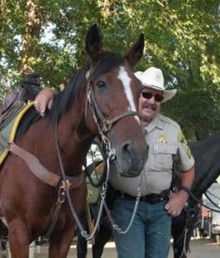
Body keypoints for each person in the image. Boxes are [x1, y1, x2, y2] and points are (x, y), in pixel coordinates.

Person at [34, 67, 195, 258]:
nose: (151, 100)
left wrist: (182, 196)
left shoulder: (172, 129)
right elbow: (77, 108)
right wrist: (50, 92)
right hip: (126, 207)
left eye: (157, 97)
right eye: (146, 94)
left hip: (161, 209)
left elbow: (189, 167)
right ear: (135, 93)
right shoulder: (112, 122)